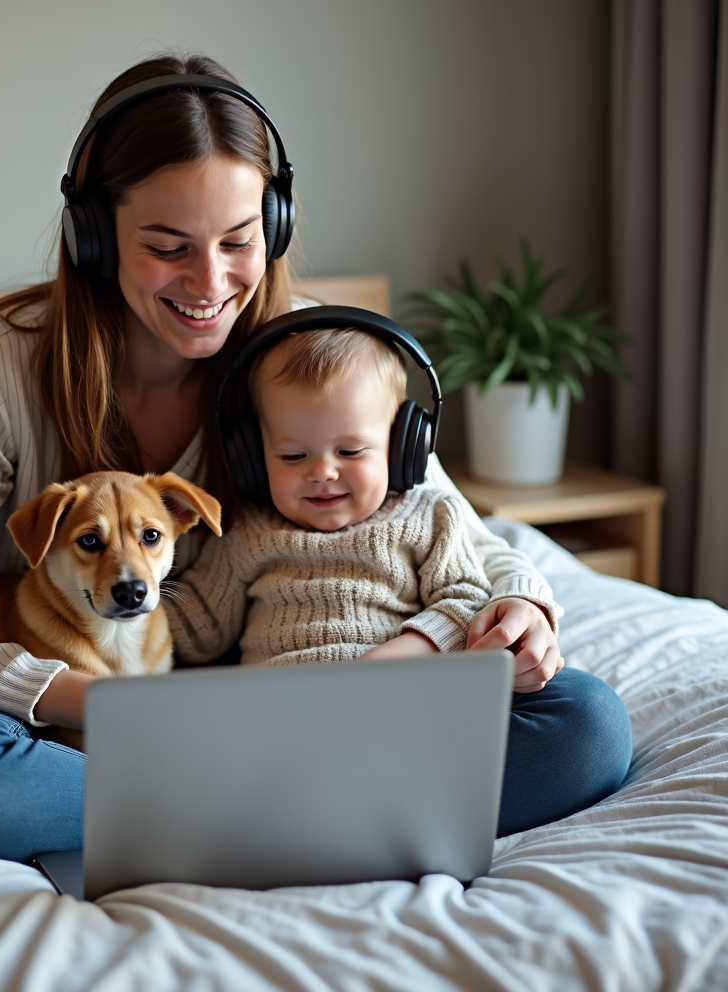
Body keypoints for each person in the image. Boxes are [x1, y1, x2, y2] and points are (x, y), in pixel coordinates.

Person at [0, 53, 630, 862]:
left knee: (586, 725)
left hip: (290, 702)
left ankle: (209, 811)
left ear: (276, 227)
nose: (210, 280)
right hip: (85, 704)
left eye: (238, 240)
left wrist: (528, 607)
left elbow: (456, 530)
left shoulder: (304, 354)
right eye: (167, 246)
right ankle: (309, 809)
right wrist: (96, 703)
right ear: (93, 236)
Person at [167, 326, 632, 836]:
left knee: (590, 720)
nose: (322, 472)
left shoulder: (432, 516)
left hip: (411, 721)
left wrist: (398, 658)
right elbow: (198, 626)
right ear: (255, 459)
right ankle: (342, 818)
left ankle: (337, 821)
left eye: (350, 451)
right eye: (293, 456)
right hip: (288, 729)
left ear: (403, 447)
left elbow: (465, 598)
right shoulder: (246, 535)